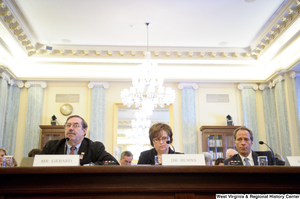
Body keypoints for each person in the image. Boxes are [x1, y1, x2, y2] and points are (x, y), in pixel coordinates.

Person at [39, 115, 119, 165]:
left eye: (76, 125)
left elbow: (112, 163)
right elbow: (36, 163)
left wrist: (88, 166)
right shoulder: (52, 146)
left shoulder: (94, 147)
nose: (71, 128)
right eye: (68, 125)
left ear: (84, 131)